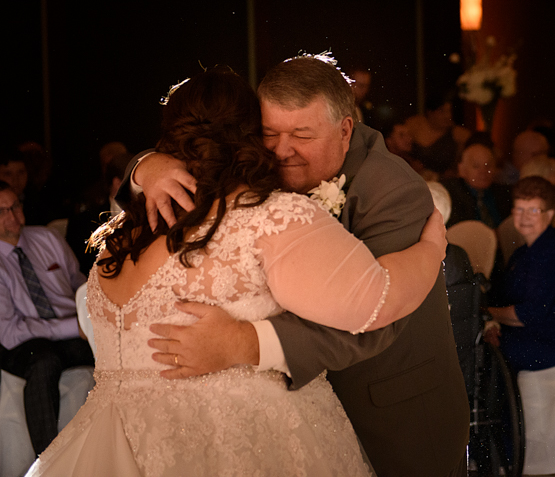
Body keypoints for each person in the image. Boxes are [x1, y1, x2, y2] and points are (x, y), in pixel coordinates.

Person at [28, 67, 449, 476]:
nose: (282, 150)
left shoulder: (122, 234)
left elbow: (375, 321)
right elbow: (375, 299)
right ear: (249, 132)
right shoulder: (243, 206)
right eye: (270, 134)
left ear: (345, 129)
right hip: (242, 429)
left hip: (382, 403)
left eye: (302, 135)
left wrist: (249, 342)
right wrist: (433, 247)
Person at [0, 181, 92, 457]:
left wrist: (92, 318)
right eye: (2, 211)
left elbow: (81, 285)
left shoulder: (47, 238)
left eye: (15, 206)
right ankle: (49, 459)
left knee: (103, 349)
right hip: (23, 343)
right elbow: (10, 332)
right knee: (44, 361)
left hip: (73, 331)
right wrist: (72, 327)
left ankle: (101, 449)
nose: (13, 216)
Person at [486, 176, 555, 372]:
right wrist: (491, 322)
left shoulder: (552, 253)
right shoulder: (526, 251)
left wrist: (486, 315)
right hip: (539, 331)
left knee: (481, 350)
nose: (524, 217)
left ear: (550, 214)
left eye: (533, 210)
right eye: (519, 209)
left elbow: (528, 314)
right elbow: (503, 294)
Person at [442, 143, 512, 228]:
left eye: (488, 166)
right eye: (476, 166)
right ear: (462, 169)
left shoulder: (504, 194)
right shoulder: (450, 194)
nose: (483, 171)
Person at [406, 95, 470, 176]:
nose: (448, 116)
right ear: (430, 113)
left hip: (443, 182)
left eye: (449, 111)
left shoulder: (459, 134)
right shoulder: (413, 125)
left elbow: (463, 164)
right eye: (442, 111)